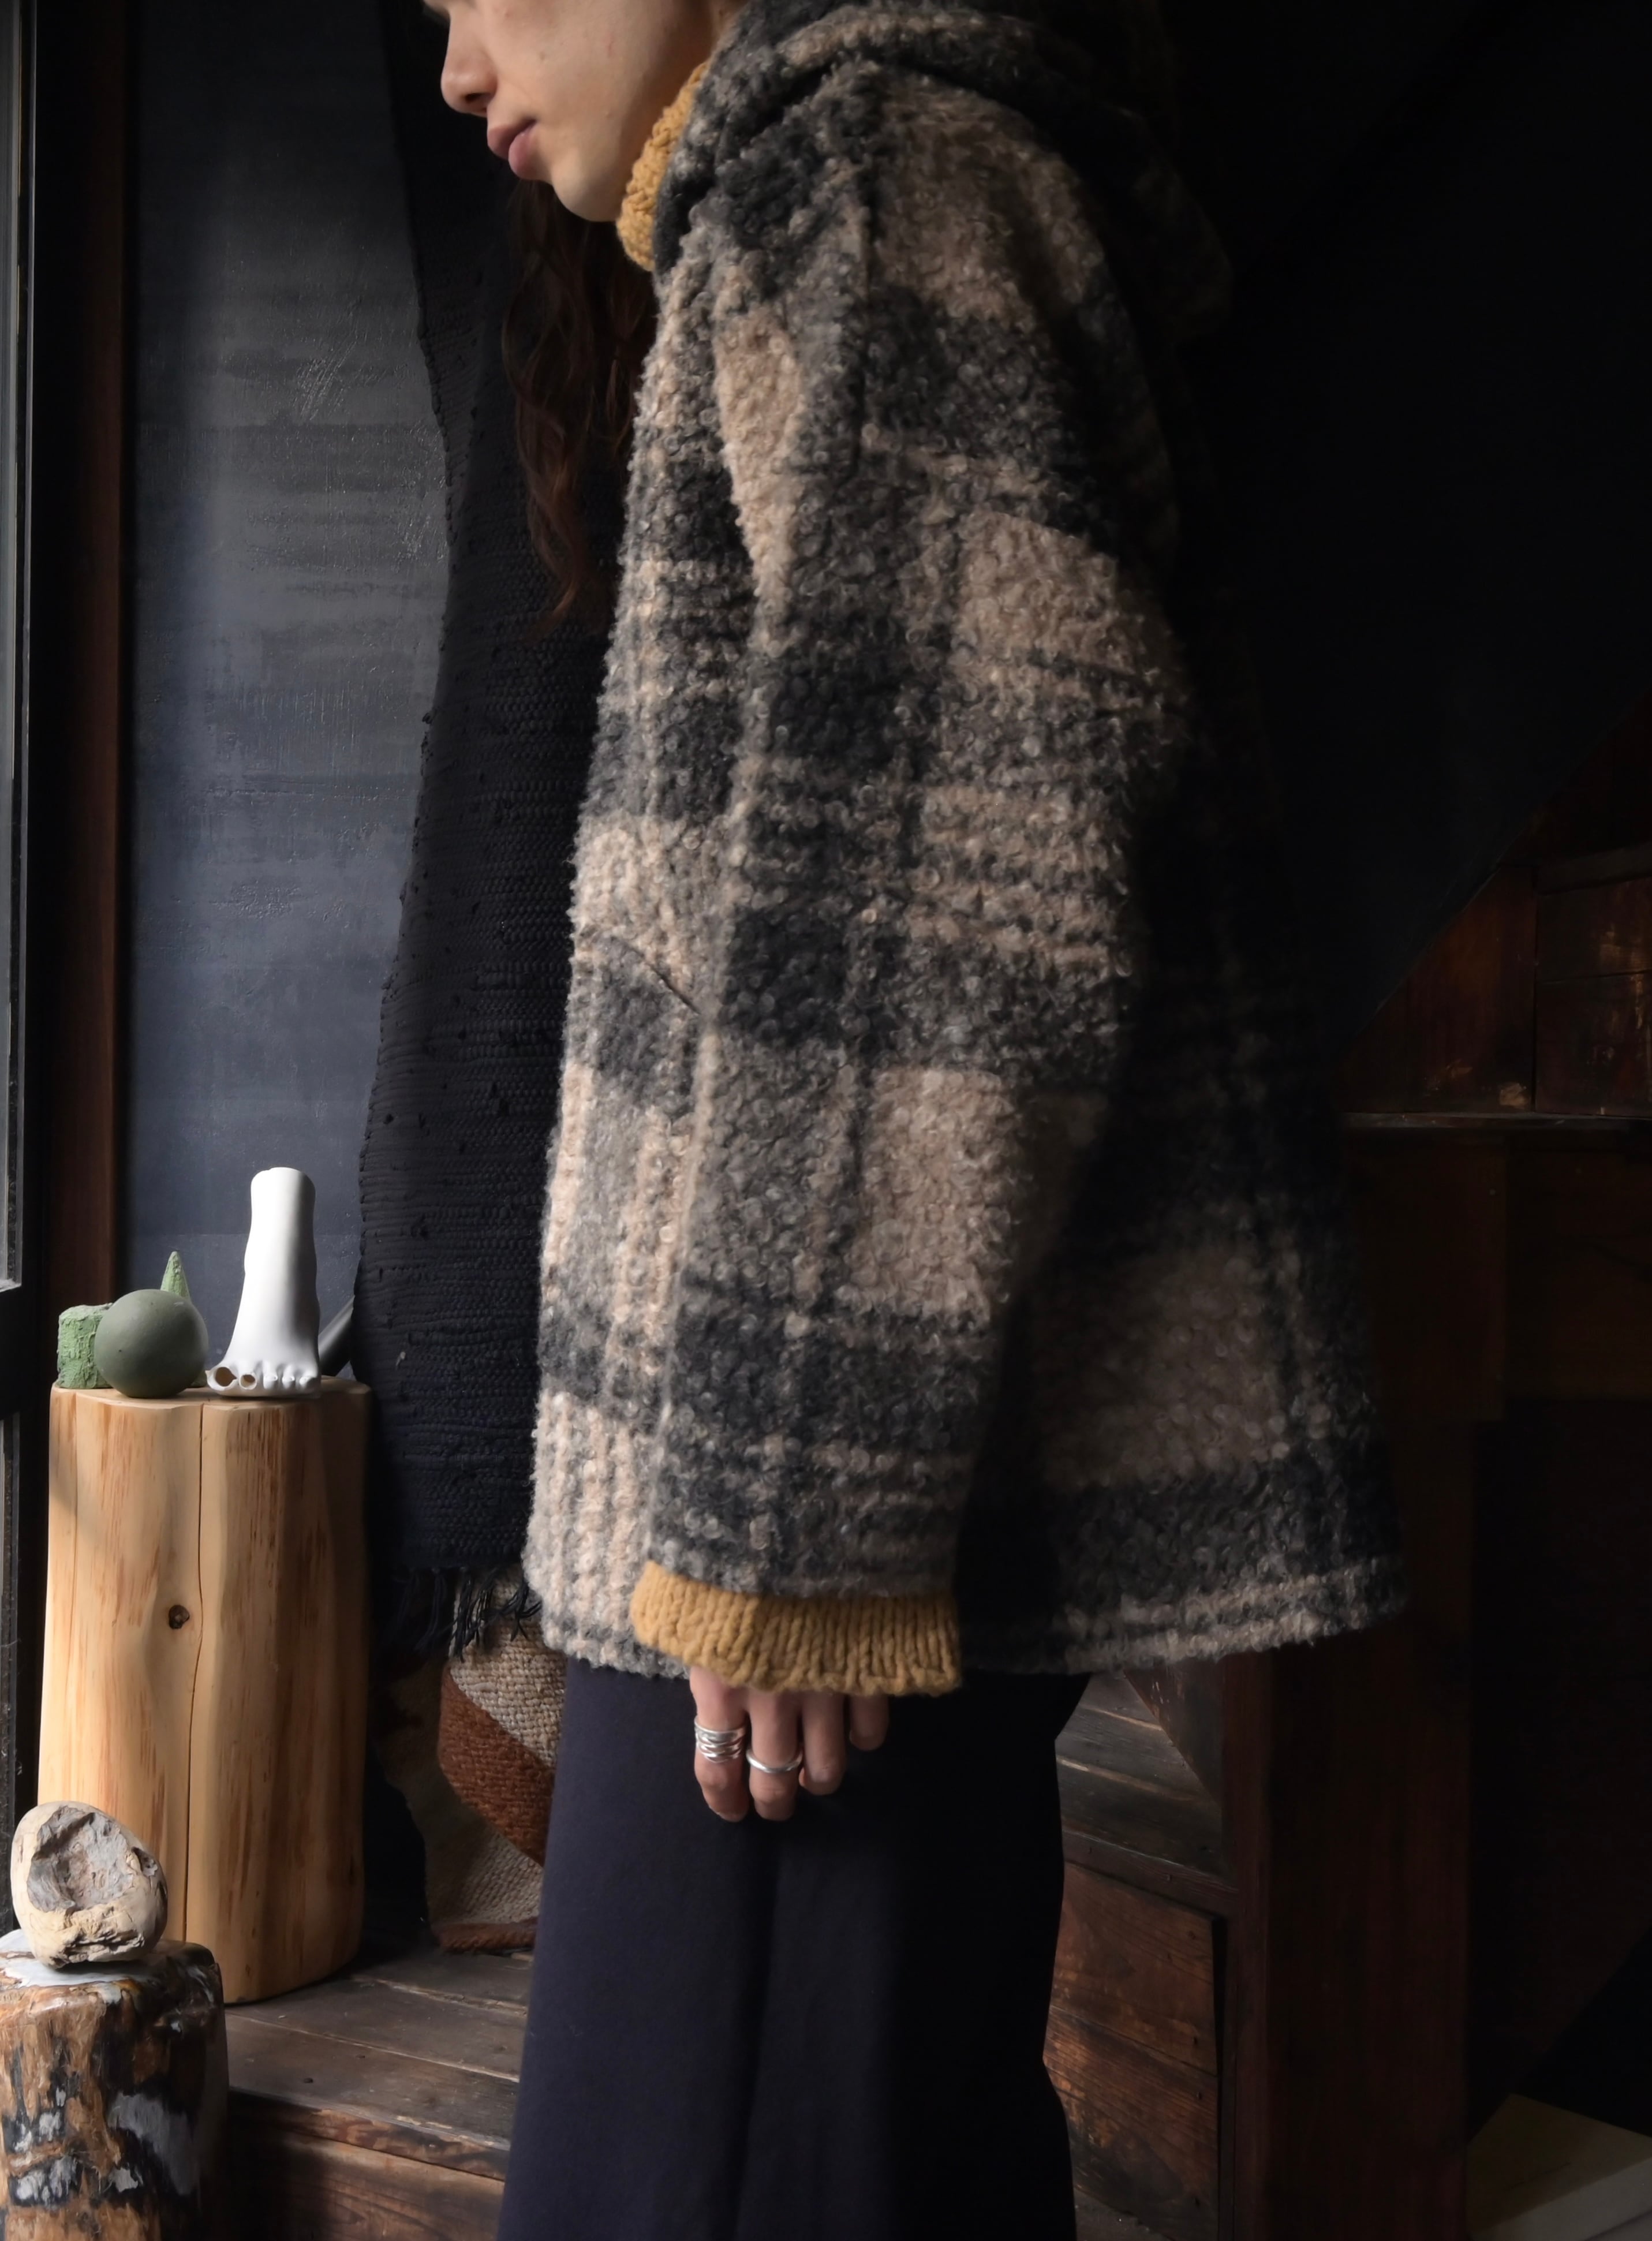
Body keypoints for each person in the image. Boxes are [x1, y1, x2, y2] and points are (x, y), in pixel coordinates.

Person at [427, 1, 1403, 2233]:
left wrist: (797, 1526)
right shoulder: (825, 189)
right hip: (799, 1526)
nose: (464, 61)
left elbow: (956, 889)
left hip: (794, 1547)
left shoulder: (867, 175)